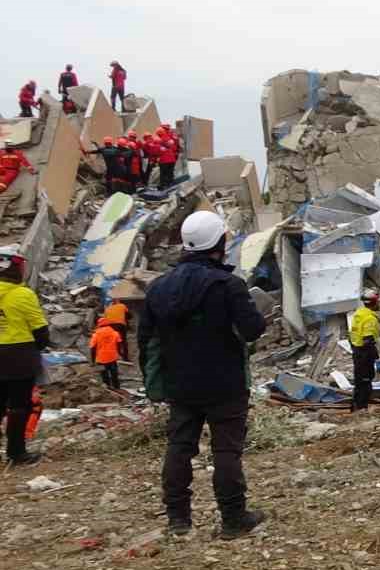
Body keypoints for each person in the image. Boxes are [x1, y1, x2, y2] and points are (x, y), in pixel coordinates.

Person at [141, 210, 268, 538]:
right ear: (220, 243)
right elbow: (253, 330)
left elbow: (146, 341)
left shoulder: (158, 288)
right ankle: (233, 518)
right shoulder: (228, 285)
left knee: (179, 447)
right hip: (225, 383)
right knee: (226, 451)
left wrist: (156, 382)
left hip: (179, 384)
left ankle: (178, 518)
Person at [0, 246, 49, 466]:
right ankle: (16, 452)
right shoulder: (23, 294)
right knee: (19, 406)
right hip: (19, 356)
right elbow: (40, 331)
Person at [349, 288, 380, 412]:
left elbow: (352, 335)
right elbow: (368, 341)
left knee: (359, 381)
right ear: (374, 302)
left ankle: (355, 406)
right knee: (366, 382)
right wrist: (376, 358)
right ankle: (362, 408)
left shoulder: (358, 315)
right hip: (365, 354)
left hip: (357, 351)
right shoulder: (369, 318)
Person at [89, 316, 122, 388]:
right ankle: (117, 387)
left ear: (99, 325)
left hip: (101, 359)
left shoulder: (96, 335)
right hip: (113, 357)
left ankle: (108, 388)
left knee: (104, 375)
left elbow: (92, 348)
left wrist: (93, 360)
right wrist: (119, 353)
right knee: (114, 374)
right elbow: (119, 343)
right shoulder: (115, 333)